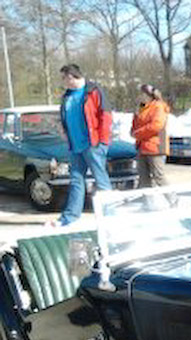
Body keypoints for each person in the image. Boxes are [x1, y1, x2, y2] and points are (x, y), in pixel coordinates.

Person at [57, 63, 112, 226]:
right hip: (75, 146)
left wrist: (102, 141)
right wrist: (64, 131)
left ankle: (110, 213)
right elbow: (65, 117)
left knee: (100, 179)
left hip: (93, 144)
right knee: (76, 180)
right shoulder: (67, 96)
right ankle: (70, 216)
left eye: (64, 78)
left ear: (72, 77)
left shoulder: (93, 91)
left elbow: (105, 115)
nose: (63, 81)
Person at [131, 84, 170, 188]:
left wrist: (138, 133)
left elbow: (157, 125)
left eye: (141, 93)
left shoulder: (158, 106)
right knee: (143, 177)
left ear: (148, 95)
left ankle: (171, 196)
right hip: (142, 146)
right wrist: (133, 129)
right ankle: (146, 197)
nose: (139, 96)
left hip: (156, 146)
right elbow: (136, 124)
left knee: (158, 176)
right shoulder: (141, 107)